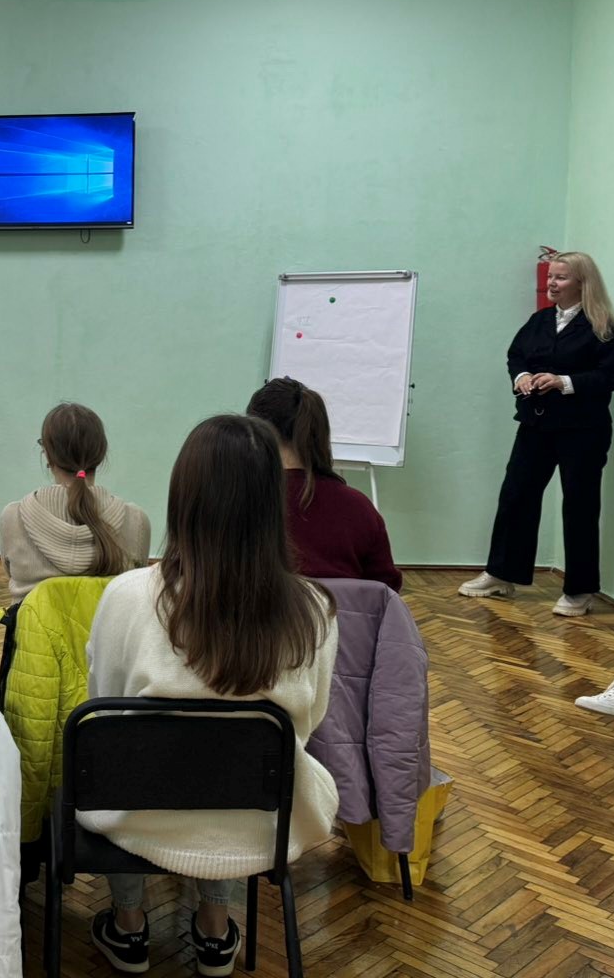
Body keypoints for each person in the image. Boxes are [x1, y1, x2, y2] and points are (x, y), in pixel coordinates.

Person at [81, 415, 339, 977]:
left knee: (113, 755)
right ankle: (216, 928)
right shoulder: (314, 610)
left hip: (136, 815)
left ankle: (128, 924)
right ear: (271, 503)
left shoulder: (126, 596)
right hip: (259, 823)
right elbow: (309, 721)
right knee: (245, 754)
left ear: (183, 497)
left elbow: (105, 705)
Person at [461, 251, 614, 616]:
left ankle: (580, 590)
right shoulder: (539, 320)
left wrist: (563, 382)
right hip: (535, 425)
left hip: (583, 431)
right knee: (515, 496)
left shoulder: (605, 326)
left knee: (580, 506)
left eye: (561, 277)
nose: (551, 283)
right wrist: (521, 377)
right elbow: (516, 356)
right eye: (550, 276)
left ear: (583, 283)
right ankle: (501, 574)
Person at [246, 377, 401, 592]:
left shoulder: (242, 503)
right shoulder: (359, 508)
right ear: (319, 434)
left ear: (256, 436)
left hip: (259, 614)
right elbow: (385, 591)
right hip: (343, 615)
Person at [0, 402, 151, 602]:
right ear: (101, 455)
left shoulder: (13, 517)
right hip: (107, 624)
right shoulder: (136, 520)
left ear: (47, 455)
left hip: (31, 623)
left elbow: (10, 572)